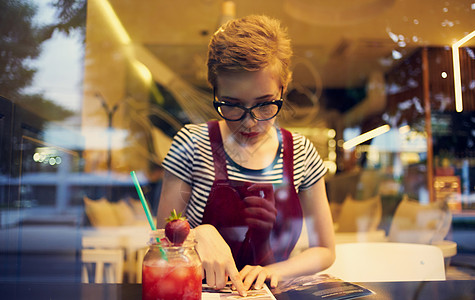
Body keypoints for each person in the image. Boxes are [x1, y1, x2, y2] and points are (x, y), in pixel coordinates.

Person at [157, 14, 335, 296]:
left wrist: (273, 270)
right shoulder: (191, 144)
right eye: (231, 105)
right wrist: (197, 235)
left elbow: (324, 249)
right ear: (214, 92)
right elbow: (163, 239)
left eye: (265, 105)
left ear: (283, 89)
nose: (249, 122)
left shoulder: (301, 153)